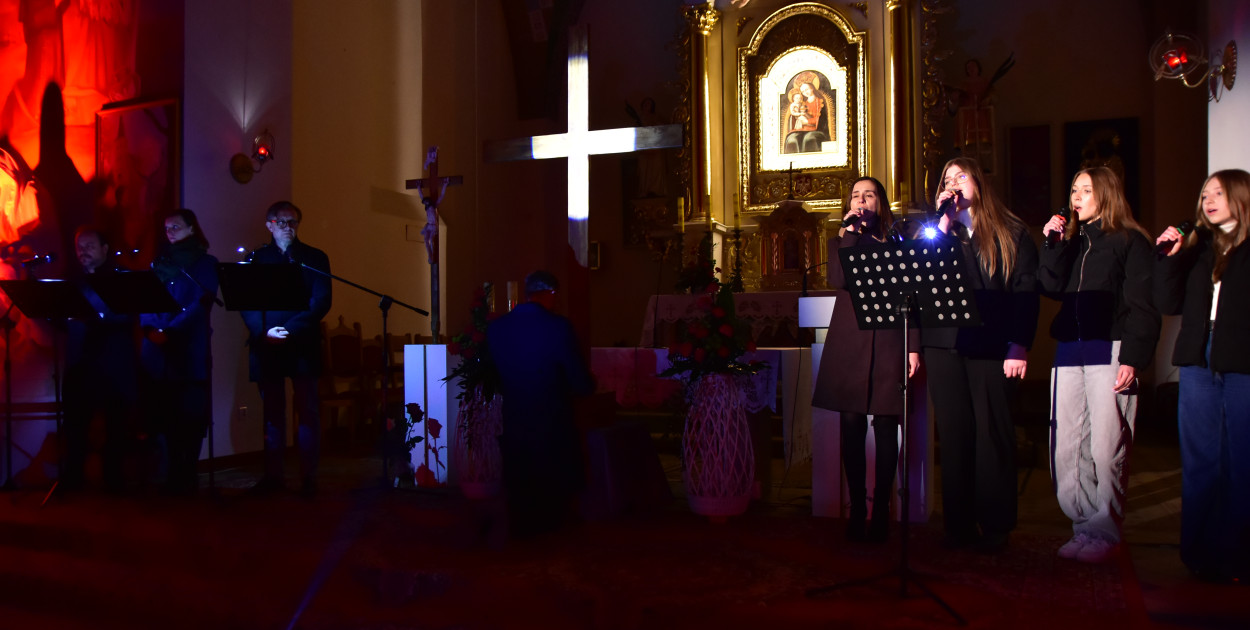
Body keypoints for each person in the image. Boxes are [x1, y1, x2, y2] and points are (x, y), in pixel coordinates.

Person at [1039, 167, 1159, 563]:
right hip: (1070, 348)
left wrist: (1134, 359)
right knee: (1067, 445)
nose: (1077, 197)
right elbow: (1051, 286)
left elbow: (1143, 304)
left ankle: (1104, 530)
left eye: (1086, 190)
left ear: (1106, 194)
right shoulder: (1071, 242)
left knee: (1106, 445)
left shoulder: (1129, 241)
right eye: (1074, 189)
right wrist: (1053, 245)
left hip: (1111, 346)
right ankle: (1082, 525)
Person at [923, 156, 1039, 553]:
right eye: (946, 178)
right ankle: (957, 525)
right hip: (944, 343)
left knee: (992, 434)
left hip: (991, 343)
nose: (953, 183)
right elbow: (923, 286)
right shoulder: (937, 231)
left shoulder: (1011, 231)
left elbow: (1025, 291)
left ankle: (996, 524)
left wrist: (1019, 342)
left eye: (961, 176)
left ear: (980, 182)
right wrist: (942, 225)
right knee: (954, 436)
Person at [1154, 169, 1250, 582]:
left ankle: (1239, 557)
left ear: (1241, 198)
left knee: (1241, 461)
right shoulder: (1198, 249)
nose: (1208, 200)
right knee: (1199, 461)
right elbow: (1166, 301)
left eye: (1219, 193)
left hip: (1242, 360)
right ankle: (1199, 555)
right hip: (1196, 359)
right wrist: (1173, 257)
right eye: (1205, 193)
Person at [812, 176, 920, 542]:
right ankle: (857, 507)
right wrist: (848, 233)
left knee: (888, 426)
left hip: (890, 341)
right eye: (856, 195)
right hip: (850, 343)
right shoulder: (841, 240)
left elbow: (914, 296)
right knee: (852, 425)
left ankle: (881, 512)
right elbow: (839, 278)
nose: (861, 200)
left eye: (869, 195)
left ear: (881, 202)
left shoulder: (898, 242)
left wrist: (914, 345)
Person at [487, 270, 594, 537]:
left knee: (522, 489)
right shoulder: (558, 327)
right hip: (551, 421)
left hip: (514, 418)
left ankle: (521, 532)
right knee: (551, 495)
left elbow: (493, 376)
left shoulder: (498, 328)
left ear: (527, 293)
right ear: (552, 293)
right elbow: (578, 380)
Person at [240, 201, 331, 498]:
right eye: (282, 221)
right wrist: (263, 330)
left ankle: (308, 477)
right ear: (269, 225)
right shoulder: (257, 259)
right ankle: (273, 475)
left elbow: (320, 302)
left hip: (301, 344)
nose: (288, 226)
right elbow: (246, 301)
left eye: (293, 221)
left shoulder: (314, 257)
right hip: (267, 344)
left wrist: (290, 329)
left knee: (307, 411)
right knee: (272, 412)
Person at [139, 209, 218, 495]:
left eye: (176, 226)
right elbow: (144, 298)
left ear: (191, 228)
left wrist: (170, 329)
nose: (170, 231)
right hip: (157, 353)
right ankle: (171, 474)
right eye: (167, 227)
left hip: (188, 351)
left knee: (191, 416)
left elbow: (200, 304)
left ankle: (187, 473)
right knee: (165, 415)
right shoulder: (159, 264)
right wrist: (150, 327)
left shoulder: (205, 263)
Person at [61, 227, 139, 492]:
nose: (83, 251)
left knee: (115, 428)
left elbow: (128, 316)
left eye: (89, 245)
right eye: (79, 246)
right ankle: (72, 479)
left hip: (113, 366)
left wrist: (94, 317)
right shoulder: (73, 281)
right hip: (79, 366)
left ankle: (113, 482)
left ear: (105, 249)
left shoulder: (121, 278)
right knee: (75, 426)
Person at [783, 74, 829, 154]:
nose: (805, 92)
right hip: (802, 129)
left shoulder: (820, 102)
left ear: (812, 88)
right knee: (792, 139)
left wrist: (807, 122)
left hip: (817, 130)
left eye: (807, 89)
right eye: (803, 91)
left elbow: (821, 120)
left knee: (809, 138)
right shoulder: (803, 104)